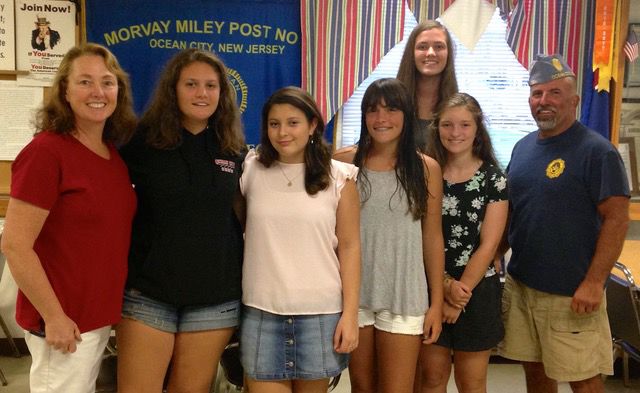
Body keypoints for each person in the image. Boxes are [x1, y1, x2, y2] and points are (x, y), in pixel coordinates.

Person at [0, 43, 137, 393]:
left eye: (107, 82)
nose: (98, 92)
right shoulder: (47, 152)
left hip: (95, 317)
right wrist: (54, 317)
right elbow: (15, 246)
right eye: (85, 82)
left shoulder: (111, 158)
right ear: (64, 90)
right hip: (63, 324)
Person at [497, 54, 630, 393]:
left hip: (571, 293)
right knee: (537, 376)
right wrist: (496, 254)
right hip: (523, 286)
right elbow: (516, 212)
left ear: (574, 101)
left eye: (554, 93)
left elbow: (616, 219)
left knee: (583, 381)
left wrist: (594, 282)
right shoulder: (523, 148)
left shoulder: (597, 152)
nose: (544, 102)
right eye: (537, 94)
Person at [116, 49, 246, 393]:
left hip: (215, 299)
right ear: (173, 89)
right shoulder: (140, 143)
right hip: (148, 294)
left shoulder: (233, 149)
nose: (202, 93)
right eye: (191, 84)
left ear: (222, 93)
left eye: (210, 85)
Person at [239, 86, 361, 393]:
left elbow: (349, 248)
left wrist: (349, 315)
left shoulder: (339, 178)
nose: (282, 132)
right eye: (274, 123)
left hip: (320, 315)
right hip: (261, 311)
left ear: (313, 125)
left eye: (293, 122)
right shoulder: (251, 168)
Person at [334, 78, 445, 393]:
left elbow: (432, 238)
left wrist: (436, 303)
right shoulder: (343, 162)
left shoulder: (426, 168)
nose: (381, 118)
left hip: (405, 293)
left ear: (406, 114)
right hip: (355, 294)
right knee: (362, 387)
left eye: (391, 109)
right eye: (373, 110)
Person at [416, 93, 508, 393]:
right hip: (431, 286)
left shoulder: (494, 178)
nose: (456, 133)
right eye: (447, 125)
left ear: (477, 129)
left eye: (465, 125)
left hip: (477, 289)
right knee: (431, 378)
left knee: (471, 382)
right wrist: (443, 288)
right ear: (436, 128)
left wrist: (460, 295)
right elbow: (419, 235)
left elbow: (489, 244)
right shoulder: (424, 174)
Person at [397, 20, 458, 152]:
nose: (430, 53)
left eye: (439, 46)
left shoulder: (460, 109)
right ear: (411, 53)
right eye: (422, 47)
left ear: (448, 54)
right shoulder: (392, 103)